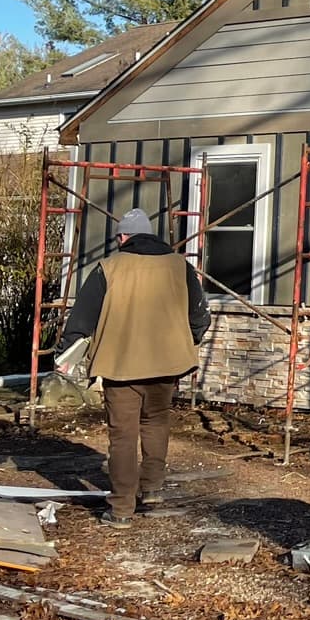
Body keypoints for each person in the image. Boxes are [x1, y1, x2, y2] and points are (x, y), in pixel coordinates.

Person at [63, 209, 211, 525]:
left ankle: (120, 509)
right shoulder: (179, 266)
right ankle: (153, 489)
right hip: (166, 364)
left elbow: (81, 319)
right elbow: (200, 315)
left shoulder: (108, 268)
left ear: (123, 237)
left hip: (120, 366)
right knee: (156, 423)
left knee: (123, 435)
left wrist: (65, 355)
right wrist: (186, 342)